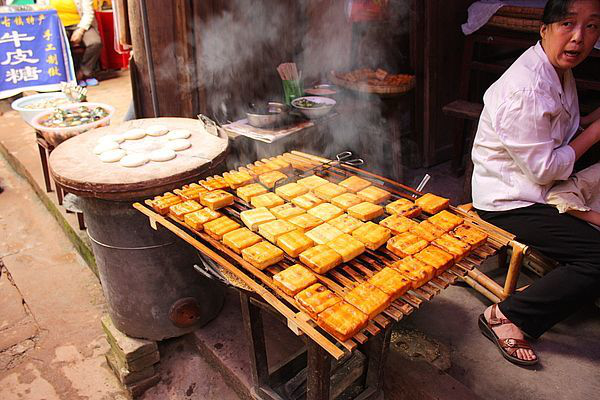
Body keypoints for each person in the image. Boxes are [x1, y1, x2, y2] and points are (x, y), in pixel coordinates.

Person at [471, 0, 600, 366]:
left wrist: (590, 120)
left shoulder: (557, 68)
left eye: (591, 27)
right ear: (543, 29)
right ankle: (507, 316)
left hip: (539, 186)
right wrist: (594, 132)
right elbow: (544, 170)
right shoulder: (525, 89)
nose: (579, 38)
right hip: (510, 201)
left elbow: (558, 130)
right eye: (567, 24)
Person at [38, 0, 102, 86]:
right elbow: (40, 10)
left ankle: (84, 73)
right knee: (58, 44)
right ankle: (70, 76)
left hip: (80, 24)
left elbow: (88, 13)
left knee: (95, 42)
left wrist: (80, 31)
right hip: (56, 26)